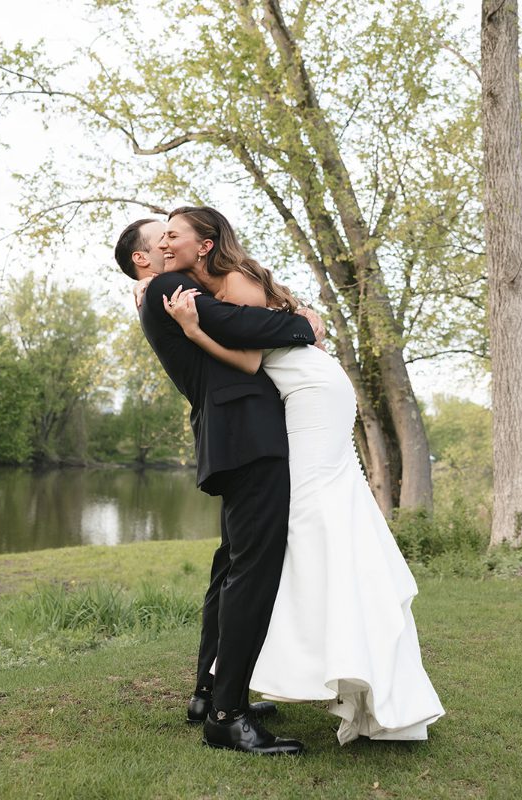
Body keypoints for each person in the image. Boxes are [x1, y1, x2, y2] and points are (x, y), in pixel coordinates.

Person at [156, 206, 445, 745]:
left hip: (310, 394)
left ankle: (311, 661)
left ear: (205, 242)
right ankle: (278, 670)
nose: (164, 244)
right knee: (313, 521)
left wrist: (193, 329)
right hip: (309, 390)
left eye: (173, 235)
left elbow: (248, 362)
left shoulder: (232, 283)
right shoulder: (211, 281)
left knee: (309, 520)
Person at [115, 217, 319, 755]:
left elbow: (227, 324)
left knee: (231, 565)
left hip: (231, 436)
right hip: (248, 435)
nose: (166, 242)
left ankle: (210, 693)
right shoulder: (164, 288)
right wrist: (302, 325)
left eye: (171, 235)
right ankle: (229, 714)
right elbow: (245, 324)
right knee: (253, 569)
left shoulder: (168, 290)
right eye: (157, 239)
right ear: (143, 260)